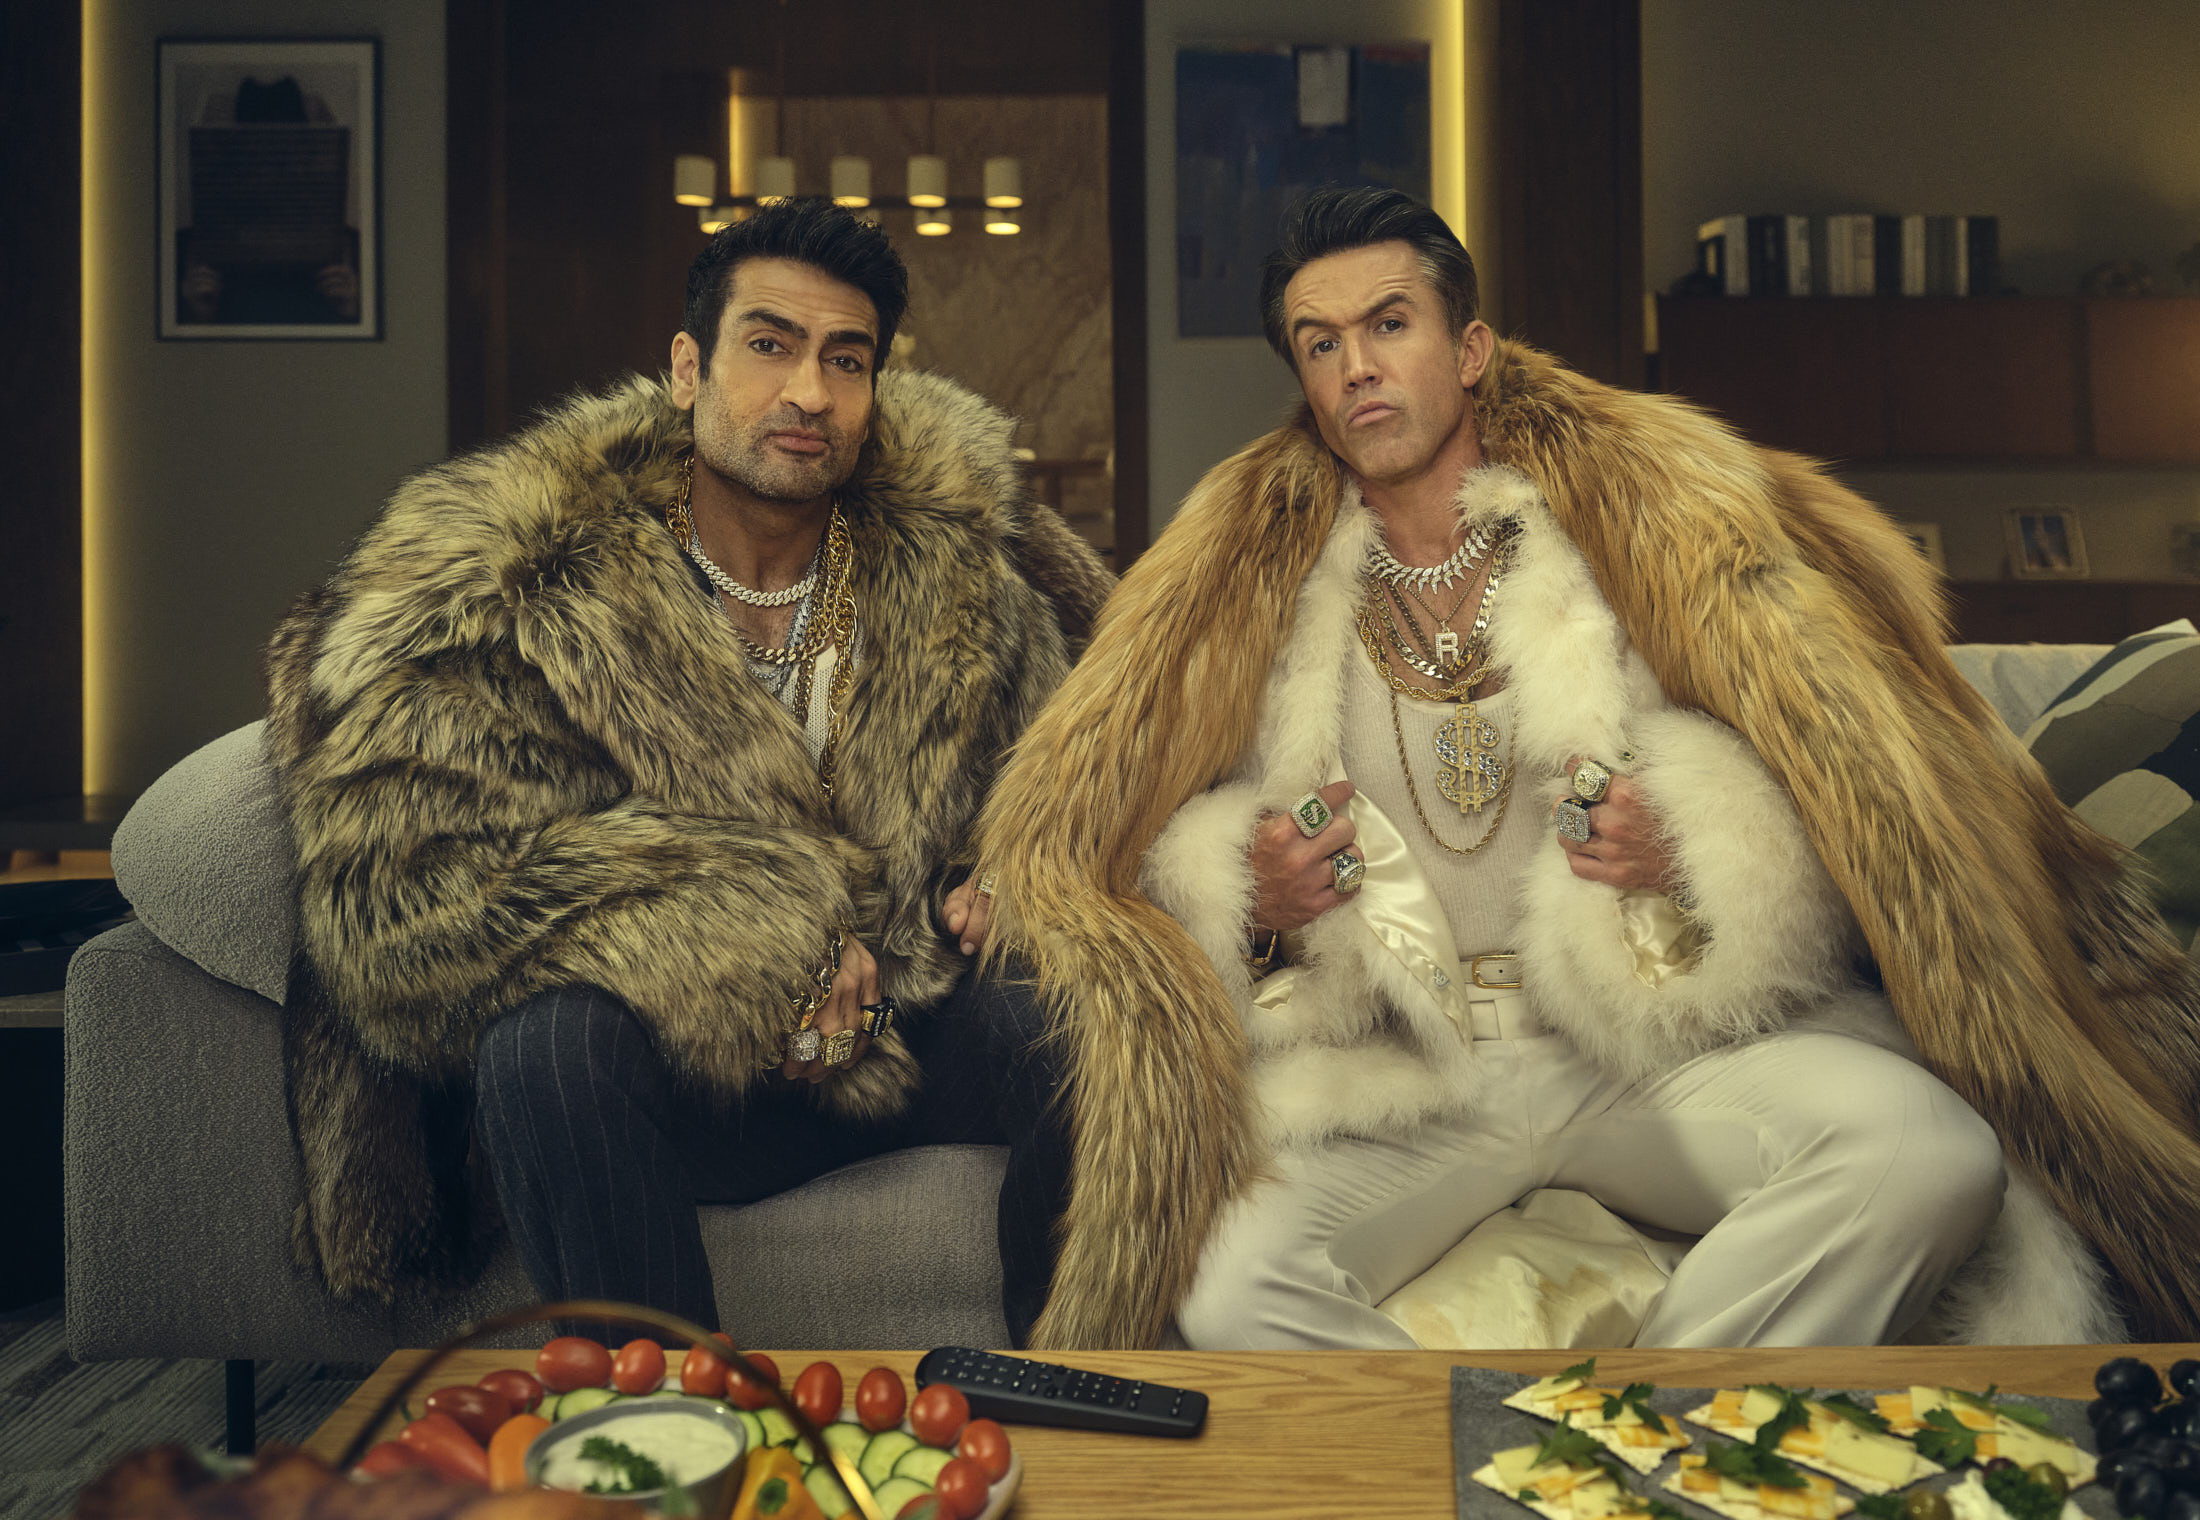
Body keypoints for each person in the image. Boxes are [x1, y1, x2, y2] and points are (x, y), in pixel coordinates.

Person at [973, 186, 2200, 1350]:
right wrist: (1254, 899)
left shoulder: (1628, 536)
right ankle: (1454, 1460)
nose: (1356, 366)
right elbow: (1149, 838)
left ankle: (1648, 1437)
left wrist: (1694, 848)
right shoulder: (1255, 598)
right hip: (1404, 1073)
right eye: (1320, 342)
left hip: (1636, 1051)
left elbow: (1830, 785)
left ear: (1469, 350)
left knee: (1928, 1155)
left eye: (1388, 324)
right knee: (1225, 1275)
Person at [264, 198, 1110, 1342]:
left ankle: (1066, 1383)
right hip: (689, 1074)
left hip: (912, 1031)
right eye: (769, 344)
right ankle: (667, 1420)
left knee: (1072, 1005)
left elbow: (1069, 778)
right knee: (543, 1046)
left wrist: (1019, 865)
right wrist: (753, 944)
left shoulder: (955, 579)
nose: (808, 391)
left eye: (845, 359)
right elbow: (413, 899)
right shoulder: (533, 585)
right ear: (686, 369)